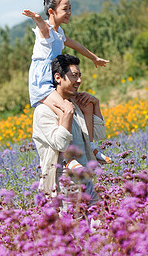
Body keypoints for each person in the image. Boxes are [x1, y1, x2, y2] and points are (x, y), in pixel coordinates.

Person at [23, 0, 112, 164]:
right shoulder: (46, 31)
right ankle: (67, 158)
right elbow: (42, 26)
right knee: (65, 110)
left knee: (84, 105)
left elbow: (76, 45)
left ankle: (91, 146)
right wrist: (36, 18)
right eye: (65, 9)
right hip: (41, 83)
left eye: (70, 8)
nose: (69, 12)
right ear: (51, 12)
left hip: (53, 79)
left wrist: (94, 58)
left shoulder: (59, 33)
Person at [32, 54, 102, 206]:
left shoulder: (74, 104)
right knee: (75, 229)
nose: (79, 80)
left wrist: (93, 108)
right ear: (58, 77)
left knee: (100, 226)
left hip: (86, 180)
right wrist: (67, 114)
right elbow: (61, 144)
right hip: (64, 187)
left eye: (80, 75)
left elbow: (94, 138)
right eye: (74, 76)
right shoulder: (44, 111)